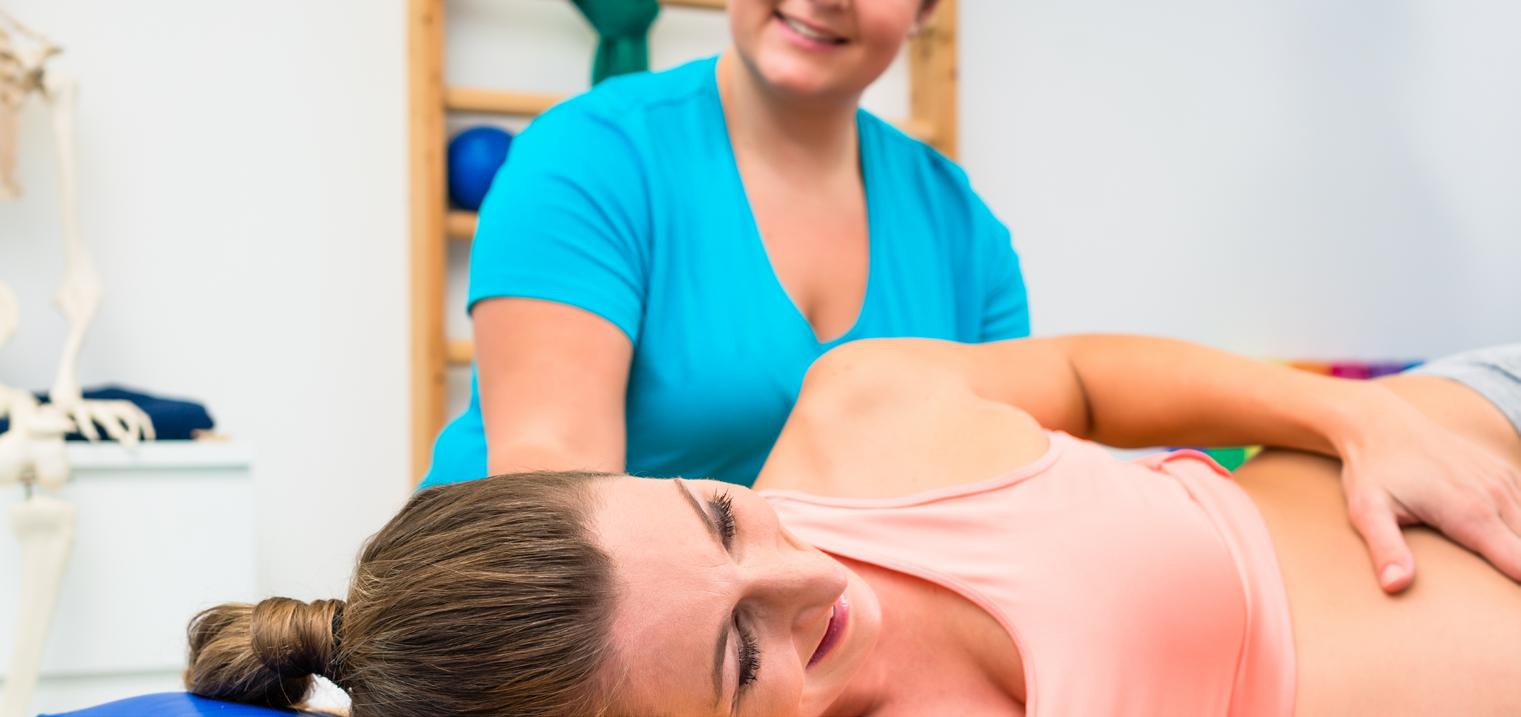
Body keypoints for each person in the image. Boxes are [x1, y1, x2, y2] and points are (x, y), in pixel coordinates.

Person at [186, 337, 1521, 716]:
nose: (810, 574)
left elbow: (1086, 379)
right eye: (740, 657)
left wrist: (1354, 414)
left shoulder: (859, 412)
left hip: (1472, 433)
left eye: (721, 517)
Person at [422, 0, 1029, 488]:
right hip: (534, 599)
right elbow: (554, 499)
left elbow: (992, 498)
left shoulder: (967, 233)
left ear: (925, 9)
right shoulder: (583, 154)